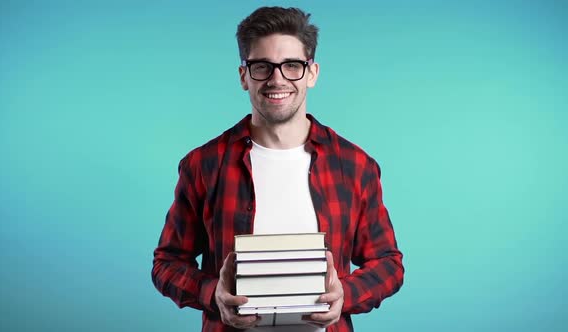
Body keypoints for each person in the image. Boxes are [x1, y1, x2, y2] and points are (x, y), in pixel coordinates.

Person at [152, 6, 404, 332]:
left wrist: (347, 294)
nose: (277, 79)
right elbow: (167, 264)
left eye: (292, 66)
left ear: (312, 73)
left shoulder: (354, 166)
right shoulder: (204, 165)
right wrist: (213, 293)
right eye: (262, 67)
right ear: (244, 76)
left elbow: (388, 264)